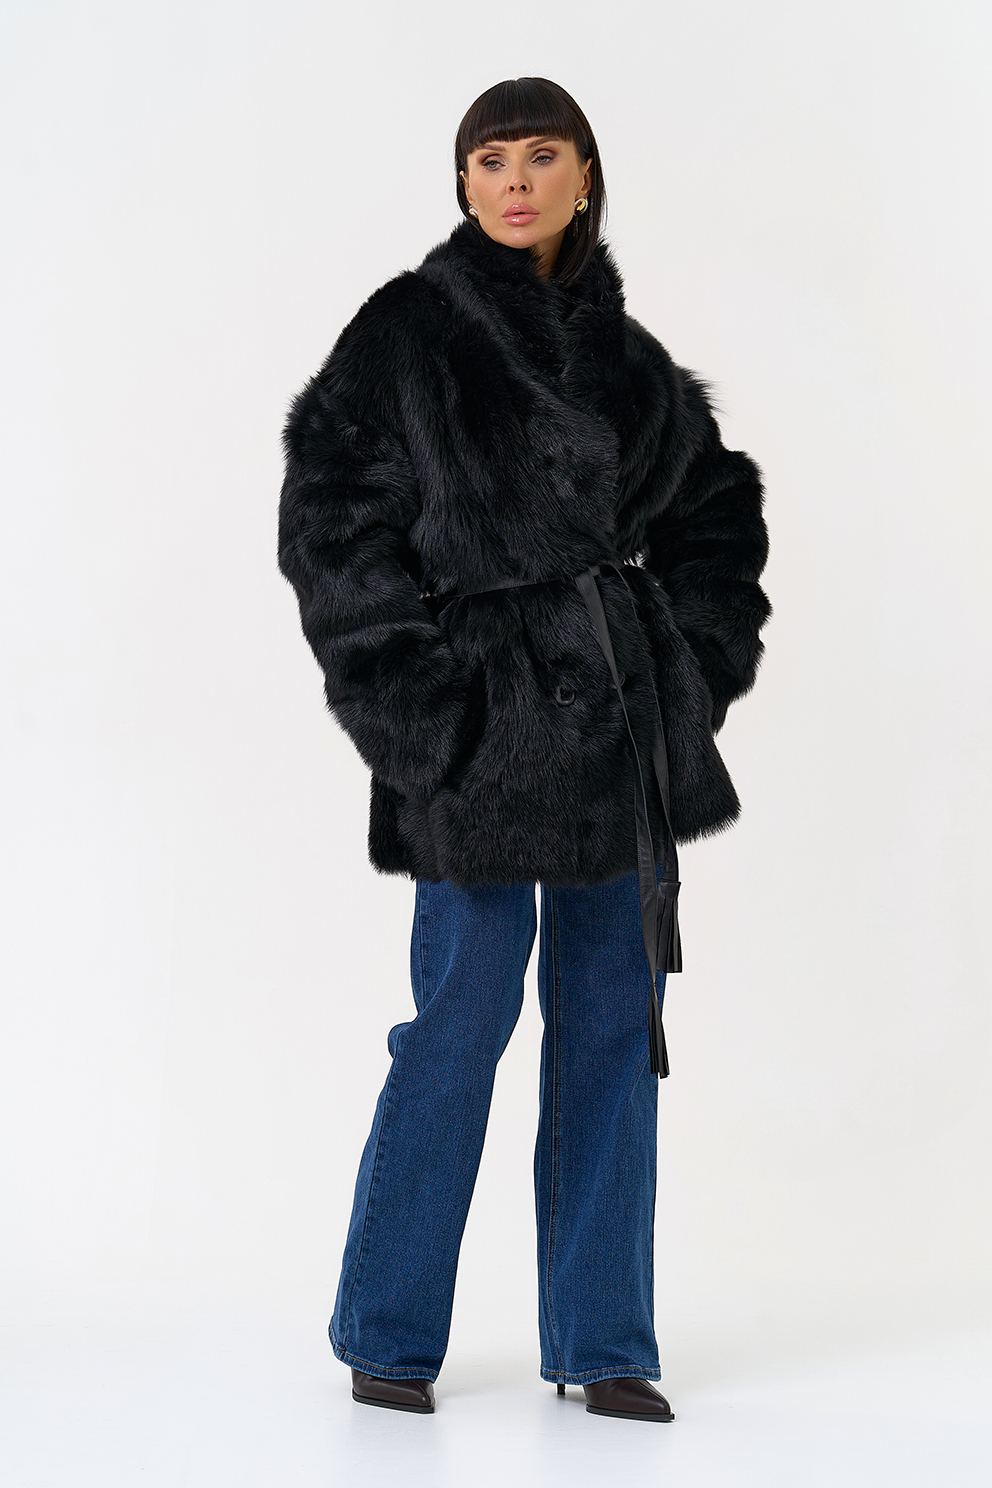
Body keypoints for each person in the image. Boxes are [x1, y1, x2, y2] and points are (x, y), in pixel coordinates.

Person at [277, 77, 771, 1422]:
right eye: (490, 160)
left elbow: (718, 511)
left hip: (614, 731)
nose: (513, 181)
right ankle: (388, 1330)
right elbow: (331, 521)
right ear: (462, 183)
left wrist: (689, 672)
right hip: (477, 735)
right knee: (460, 1019)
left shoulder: (630, 361)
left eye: (540, 156)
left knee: (611, 1024)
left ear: (584, 176)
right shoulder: (407, 333)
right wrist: (421, 710)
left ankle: (603, 1340)